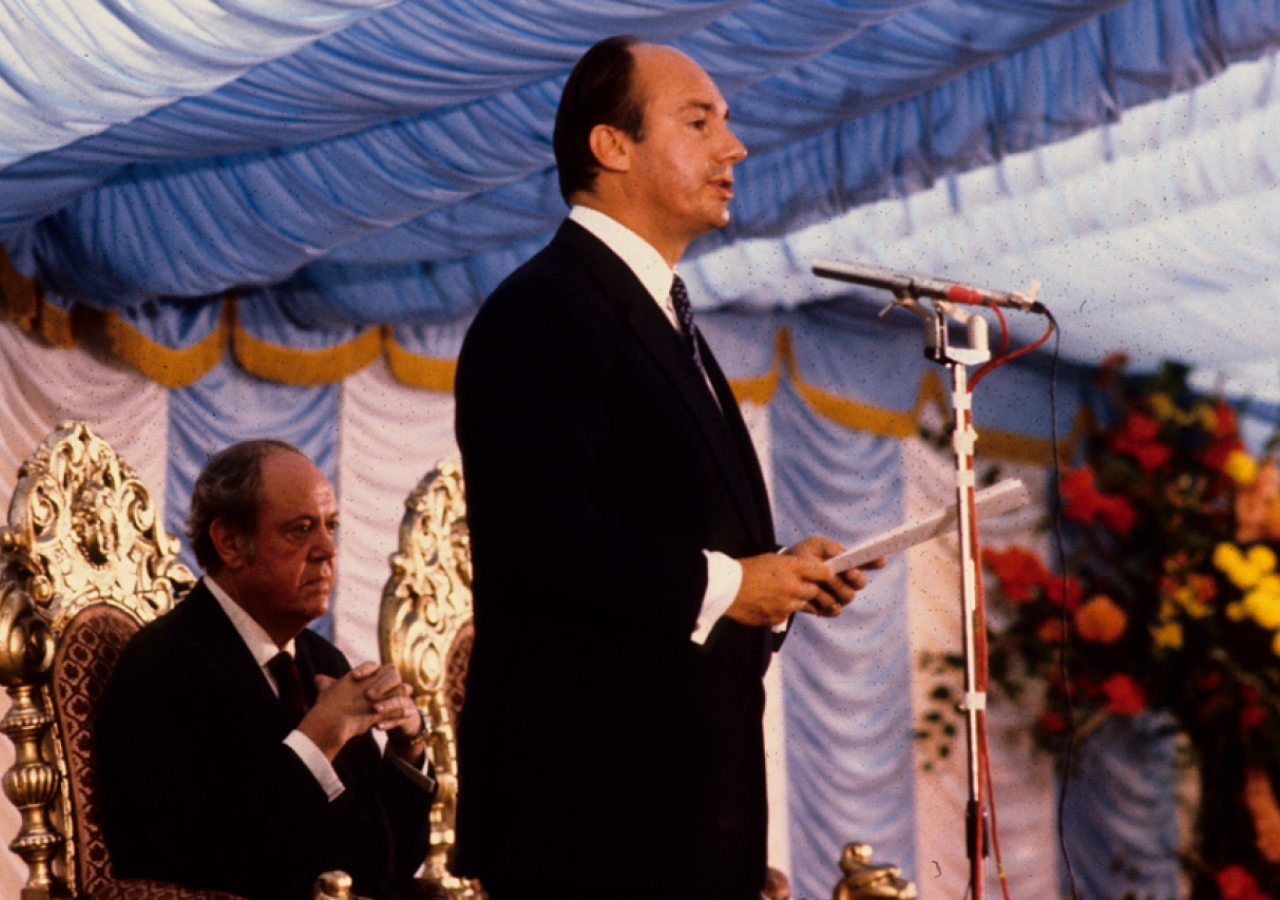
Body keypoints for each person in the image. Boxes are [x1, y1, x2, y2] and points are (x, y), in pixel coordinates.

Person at [452, 35, 879, 900]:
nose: (736, 147)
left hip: (680, 806)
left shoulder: (661, 311)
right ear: (612, 147)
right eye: (699, 121)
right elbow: (543, 534)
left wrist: (781, 578)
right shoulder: (544, 309)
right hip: (591, 812)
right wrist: (732, 584)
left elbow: (670, 523)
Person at [97, 440, 437, 900]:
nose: (327, 550)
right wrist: (319, 735)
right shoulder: (165, 662)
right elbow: (193, 859)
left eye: (330, 527)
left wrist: (407, 745)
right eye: (300, 530)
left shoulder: (322, 661)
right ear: (231, 543)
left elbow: (380, 865)